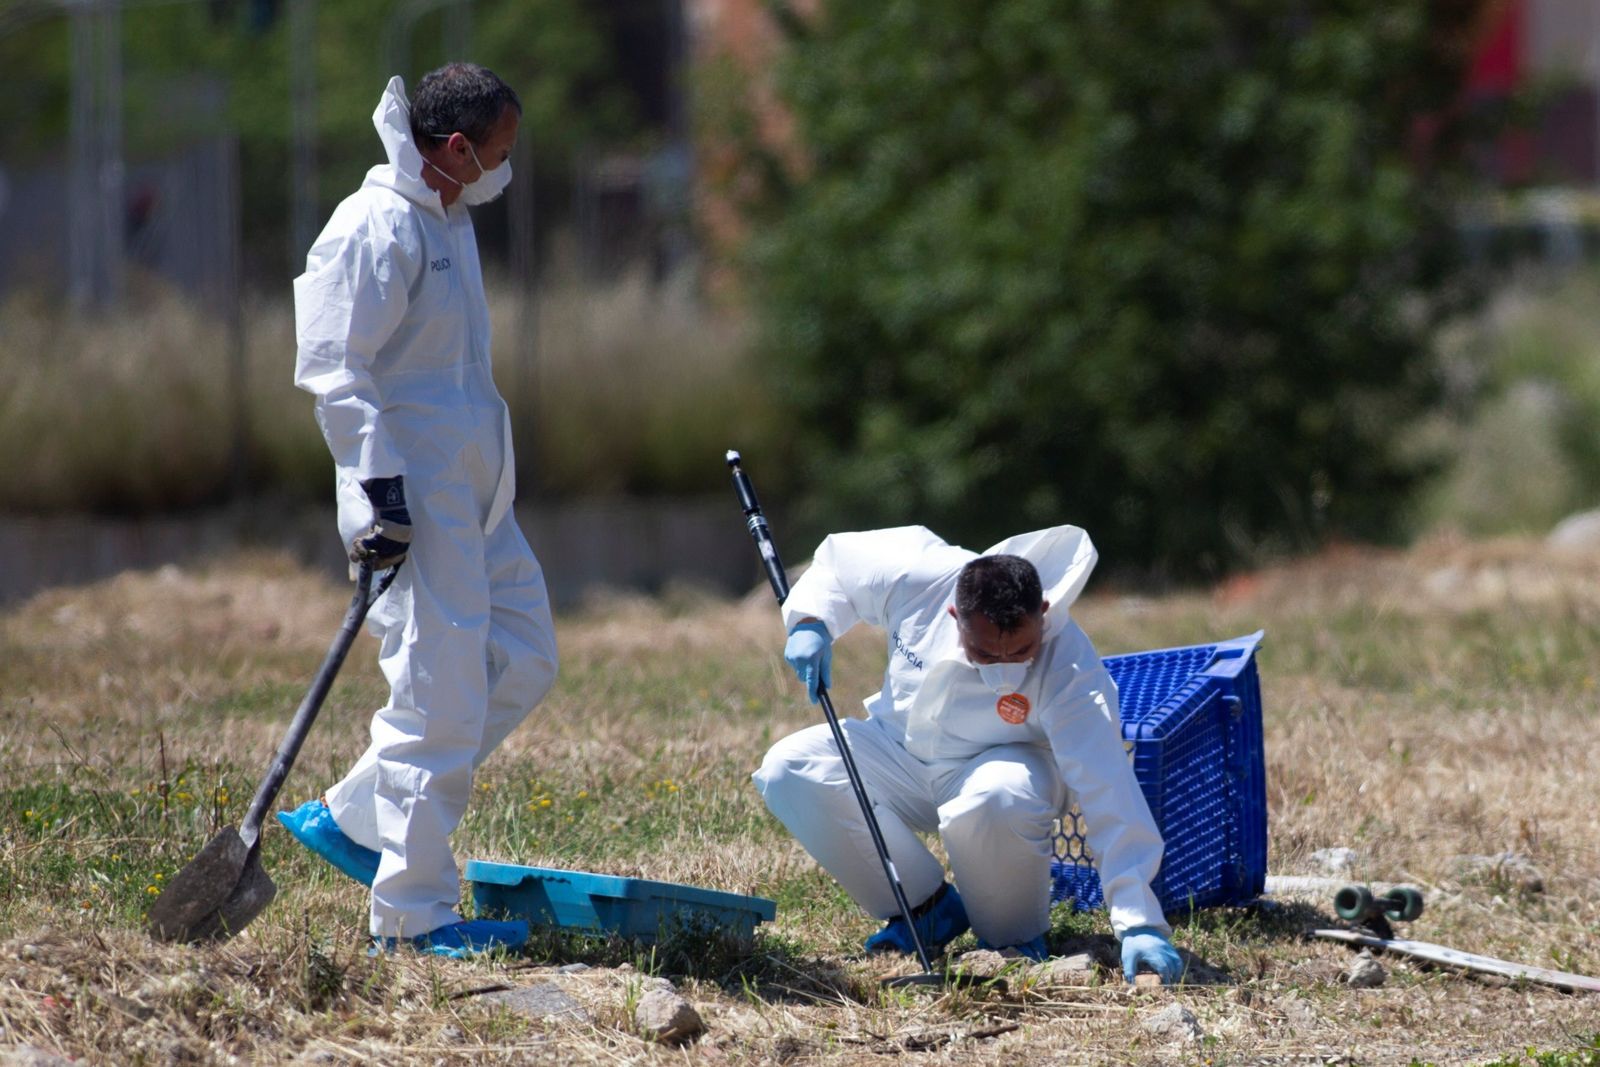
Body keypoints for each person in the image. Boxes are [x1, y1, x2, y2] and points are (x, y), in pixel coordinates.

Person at [278, 63, 558, 959]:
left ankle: (361, 817)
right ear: (456, 147)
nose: (506, 169)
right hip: (414, 498)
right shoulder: (374, 225)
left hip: (478, 491)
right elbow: (332, 366)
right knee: (437, 699)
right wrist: (378, 491)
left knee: (522, 655)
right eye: (500, 153)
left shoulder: (450, 219)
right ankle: (413, 913)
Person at [753, 525, 1184, 983]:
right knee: (791, 767)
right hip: (897, 752)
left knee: (995, 798)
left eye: (1021, 649)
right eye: (983, 651)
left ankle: (1009, 938)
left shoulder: (1071, 667)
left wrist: (1138, 920)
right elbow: (839, 565)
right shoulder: (918, 572)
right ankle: (926, 909)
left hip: (1005, 771)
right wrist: (811, 621)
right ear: (955, 614)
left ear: (1043, 612)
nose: (1003, 664)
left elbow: (1107, 787)